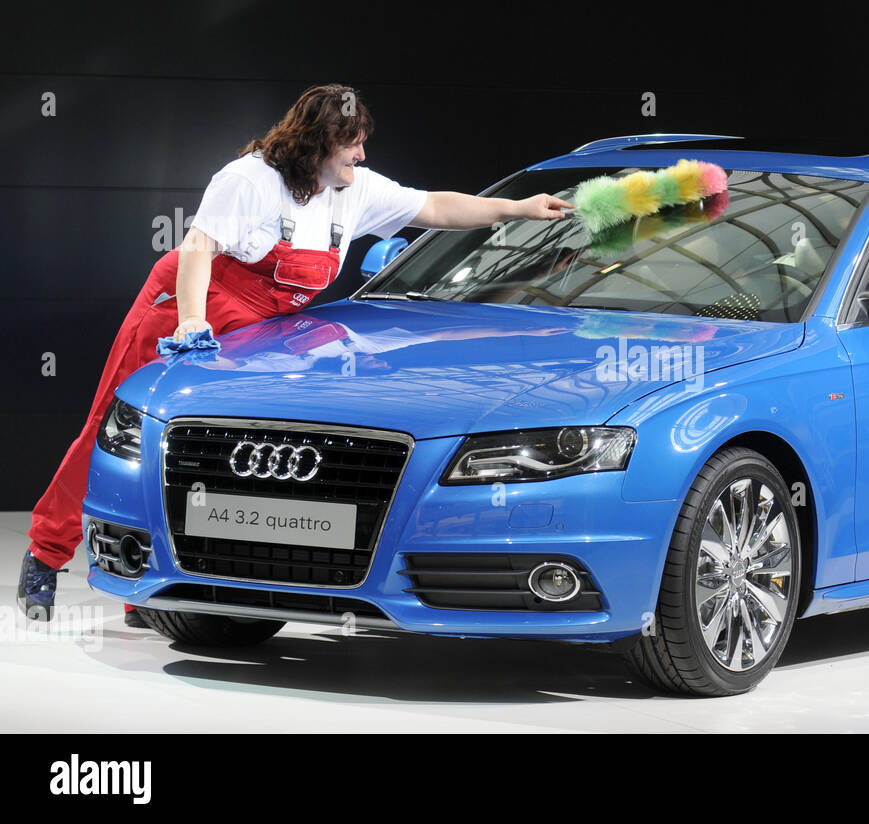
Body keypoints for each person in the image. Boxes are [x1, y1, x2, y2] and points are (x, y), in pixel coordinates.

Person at [17, 83, 573, 624]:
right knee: (117, 434)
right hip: (192, 305)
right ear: (319, 142)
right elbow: (197, 248)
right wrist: (190, 320)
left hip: (267, 326)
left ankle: (170, 581)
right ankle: (46, 553)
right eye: (352, 141)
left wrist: (517, 209)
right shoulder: (248, 179)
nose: (361, 153)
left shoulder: (356, 188)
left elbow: (436, 208)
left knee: (224, 450)